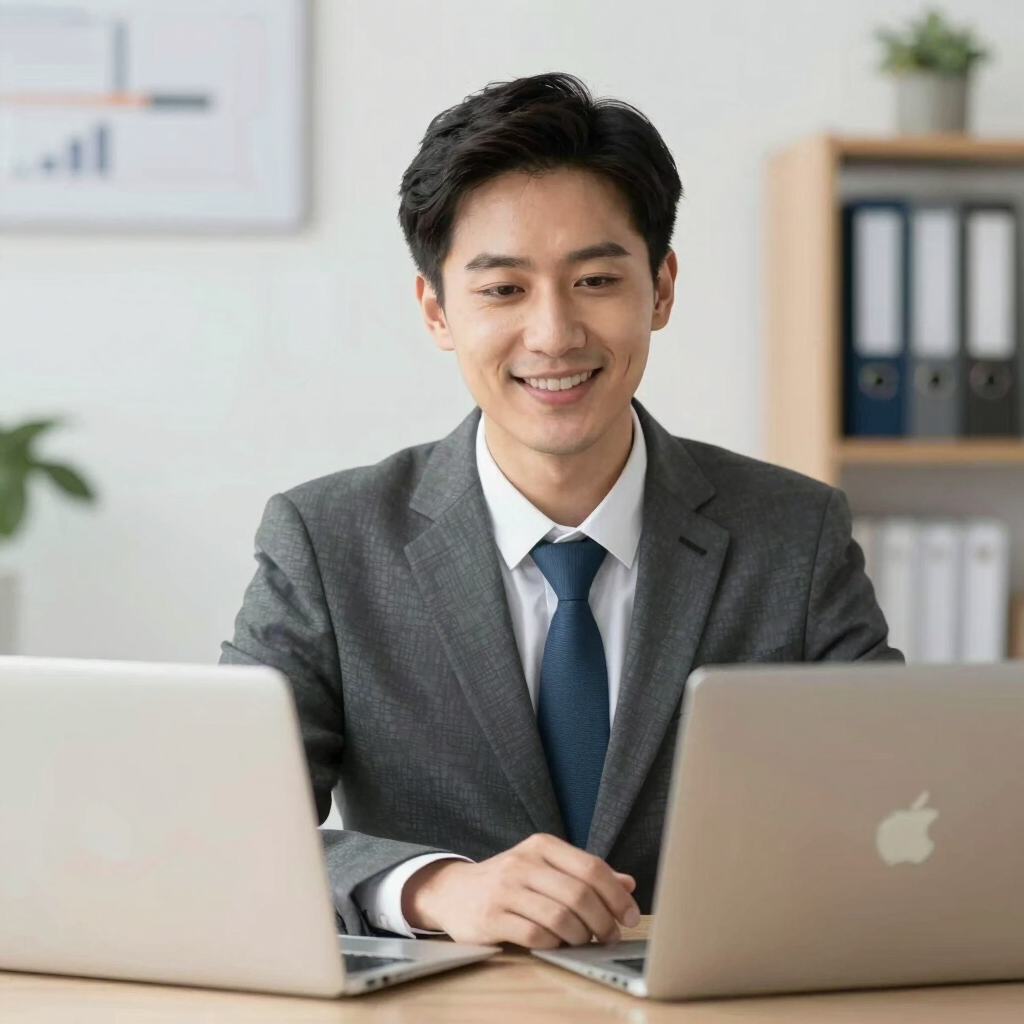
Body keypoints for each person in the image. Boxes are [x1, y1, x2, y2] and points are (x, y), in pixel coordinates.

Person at [221, 71, 902, 950]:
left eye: (593, 281)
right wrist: (430, 889)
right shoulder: (328, 541)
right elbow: (229, 822)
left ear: (660, 288)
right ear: (437, 309)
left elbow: (896, 801)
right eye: (503, 290)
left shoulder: (793, 535)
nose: (553, 334)